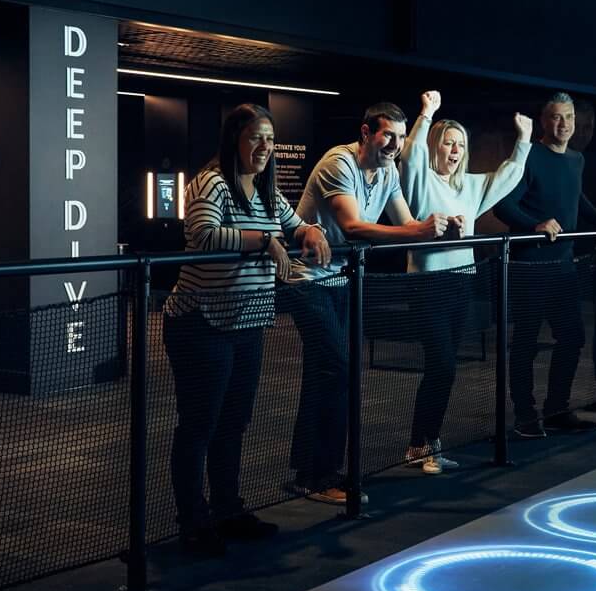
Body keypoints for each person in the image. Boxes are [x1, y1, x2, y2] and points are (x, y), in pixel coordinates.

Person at [164, 104, 332, 558]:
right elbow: (203, 234)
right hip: (202, 322)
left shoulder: (265, 189)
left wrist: (311, 232)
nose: (265, 147)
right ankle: (193, 521)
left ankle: (227, 510)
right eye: (256, 138)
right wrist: (264, 240)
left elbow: (294, 225)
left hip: (247, 322)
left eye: (270, 139)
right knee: (200, 425)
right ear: (234, 140)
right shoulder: (212, 182)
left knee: (233, 423)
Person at [289, 102, 455, 505]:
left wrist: (440, 228)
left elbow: (406, 222)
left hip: (341, 280)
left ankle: (310, 470)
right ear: (366, 133)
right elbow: (353, 226)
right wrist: (417, 232)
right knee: (338, 367)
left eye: (400, 138)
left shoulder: (388, 171)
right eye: (388, 136)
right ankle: (319, 475)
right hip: (307, 279)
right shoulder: (339, 163)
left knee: (325, 371)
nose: (395, 145)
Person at [396, 92, 534, 471]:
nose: (455, 150)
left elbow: (507, 177)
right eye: (448, 143)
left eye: (460, 144)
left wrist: (523, 140)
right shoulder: (420, 180)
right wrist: (426, 114)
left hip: (460, 283)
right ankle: (424, 443)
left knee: (444, 367)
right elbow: (410, 156)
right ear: (435, 146)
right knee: (442, 365)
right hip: (427, 284)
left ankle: (421, 444)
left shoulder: (470, 188)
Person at [491, 93, 596, 438]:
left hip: (563, 266)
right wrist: (535, 225)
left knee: (572, 337)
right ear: (543, 121)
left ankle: (557, 410)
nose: (564, 124)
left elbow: (575, 196)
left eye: (569, 117)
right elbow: (502, 204)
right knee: (526, 342)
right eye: (557, 117)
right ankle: (525, 416)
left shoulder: (576, 159)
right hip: (530, 266)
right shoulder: (529, 156)